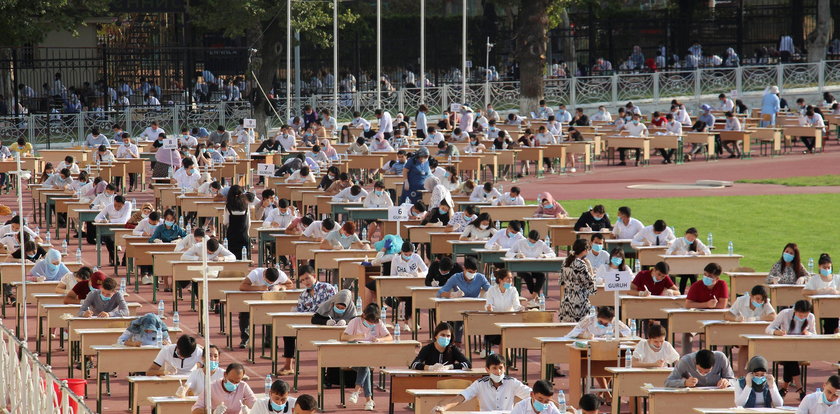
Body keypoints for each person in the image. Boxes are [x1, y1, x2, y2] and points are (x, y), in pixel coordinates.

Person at [279, 266, 337, 374]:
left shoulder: (328, 288)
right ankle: (288, 366)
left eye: (307, 278)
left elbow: (335, 308)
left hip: (327, 325)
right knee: (288, 331)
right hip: (309, 325)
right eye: (302, 280)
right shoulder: (303, 295)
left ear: (314, 276)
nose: (305, 282)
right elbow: (300, 314)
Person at [432, 354, 531, 413]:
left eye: (501, 368)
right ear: (487, 370)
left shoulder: (512, 383)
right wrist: (444, 407)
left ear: (504, 368)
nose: (498, 372)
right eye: (494, 368)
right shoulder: (480, 384)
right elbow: (463, 397)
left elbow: (530, 394)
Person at [340, 303, 392, 410]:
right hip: (352, 358)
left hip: (370, 357)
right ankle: (368, 399)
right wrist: (357, 336)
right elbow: (343, 337)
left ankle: (357, 392)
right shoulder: (355, 321)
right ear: (363, 316)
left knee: (365, 364)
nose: (371, 324)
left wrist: (379, 339)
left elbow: (389, 337)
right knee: (366, 366)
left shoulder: (378, 323)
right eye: (369, 322)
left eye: (373, 323)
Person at [766, 300, 816, 397]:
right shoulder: (785, 313)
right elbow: (768, 329)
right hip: (784, 348)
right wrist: (777, 332)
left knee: (790, 359)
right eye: (800, 315)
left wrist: (808, 333)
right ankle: (800, 388)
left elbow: (814, 334)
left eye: (804, 316)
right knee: (790, 357)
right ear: (795, 311)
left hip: (802, 349)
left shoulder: (811, 317)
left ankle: (785, 387)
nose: (802, 318)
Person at [237, 266, 293, 347]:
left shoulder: (281, 274)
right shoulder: (256, 273)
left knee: (270, 314)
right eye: (268, 281)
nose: (270, 284)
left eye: (272, 282)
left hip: (269, 299)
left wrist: (280, 286)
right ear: (264, 275)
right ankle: (245, 339)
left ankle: (269, 340)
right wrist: (259, 288)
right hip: (253, 298)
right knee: (244, 312)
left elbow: (290, 284)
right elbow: (242, 286)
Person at [505, 230, 555, 304]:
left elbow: (552, 253)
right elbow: (508, 253)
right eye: (530, 241)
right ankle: (535, 297)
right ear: (528, 238)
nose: (532, 243)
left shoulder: (541, 244)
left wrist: (544, 255)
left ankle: (533, 297)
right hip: (522, 268)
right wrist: (516, 255)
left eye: (534, 242)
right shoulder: (520, 242)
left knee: (542, 276)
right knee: (528, 276)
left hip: (535, 268)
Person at [190, 363, 256, 414]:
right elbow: (195, 410)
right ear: (225, 375)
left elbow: (257, 406)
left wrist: (250, 411)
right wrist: (212, 411)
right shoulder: (212, 387)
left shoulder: (243, 386)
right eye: (231, 380)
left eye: (237, 382)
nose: (234, 384)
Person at [559, 239, 595, 322]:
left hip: (566, 302)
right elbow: (591, 286)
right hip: (579, 304)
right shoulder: (581, 264)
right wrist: (590, 267)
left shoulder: (565, 262)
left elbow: (561, 282)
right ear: (585, 251)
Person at [667, 227, 711, 292]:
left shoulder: (697, 242)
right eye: (688, 238)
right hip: (680, 266)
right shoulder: (678, 241)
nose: (690, 240)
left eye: (692, 239)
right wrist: (678, 253)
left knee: (691, 274)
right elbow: (668, 251)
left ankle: (693, 293)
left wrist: (697, 253)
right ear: (685, 234)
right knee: (687, 274)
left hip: (692, 266)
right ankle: (684, 293)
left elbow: (707, 251)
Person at [804, 253, 840, 333]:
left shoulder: (837, 278)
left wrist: (836, 292)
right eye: (824, 267)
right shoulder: (815, 279)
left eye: (828, 267)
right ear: (819, 267)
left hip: (833, 309)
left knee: (831, 325)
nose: (827, 270)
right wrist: (817, 291)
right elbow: (804, 291)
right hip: (817, 308)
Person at [664, 349, 735, 388]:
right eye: (700, 370)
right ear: (695, 362)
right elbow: (668, 382)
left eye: (707, 372)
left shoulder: (721, 358)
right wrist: (684, 382)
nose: (703, 374)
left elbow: (733, 380)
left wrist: (727, 382)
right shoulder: (685, 361)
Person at [565, 306, 631, 339]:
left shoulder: (614, 322)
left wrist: (616, 335)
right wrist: (583, 336)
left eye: (606, 324)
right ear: (597, 316)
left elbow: (628, 332)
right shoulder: (589, 320)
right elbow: (571, 334)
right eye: (600, 322)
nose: (602, 324)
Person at [224, 186, 250, 260]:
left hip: (232, 235)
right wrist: (247, 234)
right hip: (243, 235)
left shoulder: (228, 206)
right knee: (243, 258)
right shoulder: (246, 206)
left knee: (231, 258)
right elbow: (248, 222)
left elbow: (225, 222)